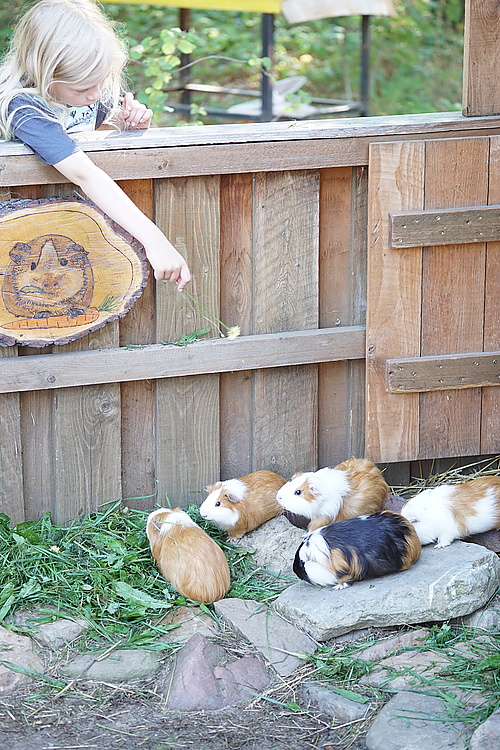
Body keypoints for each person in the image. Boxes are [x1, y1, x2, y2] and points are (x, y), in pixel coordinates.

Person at [0, 0, 191, 291]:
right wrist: (155, 239)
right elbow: (83, 173)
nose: (96, 95)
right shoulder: (24, 108)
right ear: (45, 71)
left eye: (101, 83)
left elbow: (92, 125)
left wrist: (127, 122)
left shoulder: (84, 95)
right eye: (83, 88)